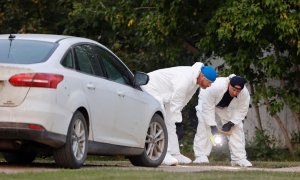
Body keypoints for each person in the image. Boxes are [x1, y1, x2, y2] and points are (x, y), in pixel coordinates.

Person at [142, 62, 217, 166]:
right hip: (151, 88)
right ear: (202, 76)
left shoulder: (195, 82)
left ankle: (174, 153)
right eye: (209, 82)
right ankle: (163, 154)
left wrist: (177, 121)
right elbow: (176, 102)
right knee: (162, 120)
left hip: (166, 95)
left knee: (170, 121)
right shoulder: (186, 78)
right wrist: (178, 122)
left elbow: (183, 101)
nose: (209, 85)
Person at [193, 75, 252, 167]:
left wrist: (231, 122)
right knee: (204, 126)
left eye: (238, 91)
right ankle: (201, 156)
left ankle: (238, 158)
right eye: (234, 90)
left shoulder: (244, 93)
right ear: (229, 84)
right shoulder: (215, 87)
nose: (235, 93)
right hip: (206, 102)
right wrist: (212, 125)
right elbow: (208, 107)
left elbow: (242, 110)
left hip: (224, 107)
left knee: (237, 127)